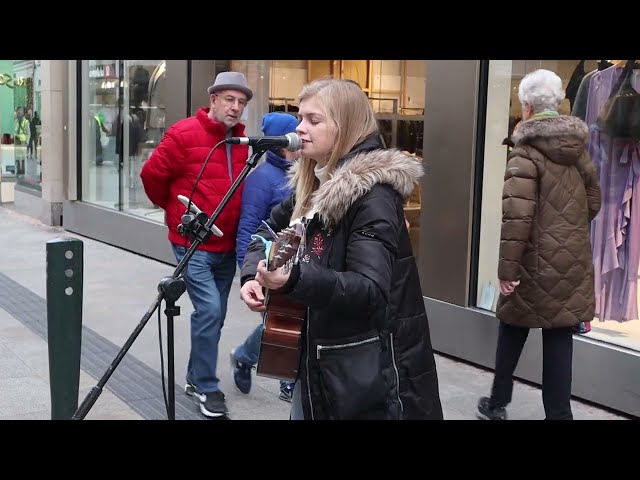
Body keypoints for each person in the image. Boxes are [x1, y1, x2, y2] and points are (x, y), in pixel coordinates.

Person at [239, 78, 443, 420]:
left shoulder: (372, 196)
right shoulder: (313, 181)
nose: (300, 128)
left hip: (365, 376)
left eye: (313, 120)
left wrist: (293, 279)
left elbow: (370, 291)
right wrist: (252, 273)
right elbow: (267, 230)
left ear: (344, 126)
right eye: (300, 117)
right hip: (320, 361)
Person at [477, 69, 601, 421]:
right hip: (571, 259)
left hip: (532, 262)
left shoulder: (525, 154)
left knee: (512, 326)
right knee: (560, 337)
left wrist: (507, 271)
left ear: (528, 107)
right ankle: (559, 415)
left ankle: (497, 403)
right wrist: (567, 229)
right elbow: (595, 201)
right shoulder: (578, 151)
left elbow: (517, 219)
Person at [140, 71, 254, 418]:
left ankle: (193, 377)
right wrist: (174, 211)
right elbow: (151, 176)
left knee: (212, 318)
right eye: (230, 100)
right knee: (210, 312)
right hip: (193, 244)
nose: (235, 108)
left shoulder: (242, 141)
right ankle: (206, 386)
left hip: (226, 246)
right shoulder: (184, 133)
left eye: (241, 102)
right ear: (214, 99)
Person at [230, 112, 298, 402]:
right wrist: (248, 271)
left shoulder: (298, 172)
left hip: (292, 261)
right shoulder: (262, 179)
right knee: (282, 321)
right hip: (268, 264)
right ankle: (284, 379)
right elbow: (250, 226)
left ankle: (245, 356)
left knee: (285, 320)